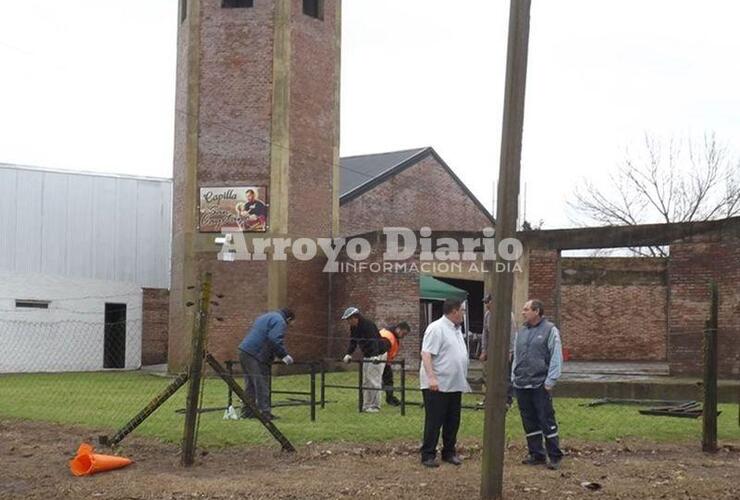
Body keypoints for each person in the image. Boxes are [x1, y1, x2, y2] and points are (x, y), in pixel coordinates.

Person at [512, 299, 564, 470]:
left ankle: (554, 455)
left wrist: (550, 380)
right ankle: (536, 454)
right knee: (529, 421)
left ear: (536, 311)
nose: (523, 312)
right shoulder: (521, 331)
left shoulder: (550, 330)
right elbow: (517, 356)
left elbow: (556, 356)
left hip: (540, 384)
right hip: (522, 384)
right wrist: (514, 376)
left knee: (546, 419)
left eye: (526, 309)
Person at [419, 299, 471, 468]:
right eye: (462, 310)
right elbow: (426, 354)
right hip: (438, 384)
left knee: (452, 420)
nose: (464, 313)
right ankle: (428, 454)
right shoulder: (436, 328)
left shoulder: (456, 330)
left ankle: (449, 451)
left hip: (455, 384)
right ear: (454, 311)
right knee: (434, 421)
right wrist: (431, 378)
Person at [237, 308, 295, 421]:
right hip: (256, 354)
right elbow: (274, 339)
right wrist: (284, 355)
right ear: (288, 319)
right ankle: (265, 413)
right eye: (290, 324)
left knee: (250, 384)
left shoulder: (265, 316)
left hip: (244, 351)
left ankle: (247, 411)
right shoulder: (279, 321)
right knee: (262, 383)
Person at [341, 307, 389, 412]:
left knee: (374, 380)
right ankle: (366, 405)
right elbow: (353, 341)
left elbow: (374, 341)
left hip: (378, 353)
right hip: (367, 354)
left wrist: (375, 356)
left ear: (355, 317)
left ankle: (375, 406)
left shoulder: (368, 325)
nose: (348, 322)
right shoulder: (354, 327)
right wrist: (349, 354)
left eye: (349, 319)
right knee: (366, 380)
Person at [478, 293, 518, 407]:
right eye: (485, 302)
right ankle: (489, 398)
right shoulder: (487, 315)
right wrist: (484, 350)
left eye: (488, 302)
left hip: (505, 350)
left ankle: (507, 400)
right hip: (492, 350)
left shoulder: (507, 315)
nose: (486, 305)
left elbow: (512, 333)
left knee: (506, 375)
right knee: (489, 375)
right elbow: (485, 333)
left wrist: (510, 351)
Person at [379, 322, 411, 406]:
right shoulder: (389, 337)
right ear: (398, 329)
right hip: (380, 361)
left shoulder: (389, 334)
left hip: (384, 361)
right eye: (403, 333)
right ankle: (385, 399)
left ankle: (389, 398)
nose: (403, 336)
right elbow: (381, 350)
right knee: (383, 381)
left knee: (387, 380)